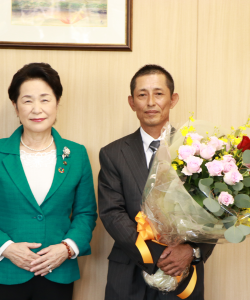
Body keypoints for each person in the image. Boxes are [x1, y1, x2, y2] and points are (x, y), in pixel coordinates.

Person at [0, 63, 97, 300]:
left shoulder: (76, 154)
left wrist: (66, 248)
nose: (37, 109)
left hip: (57, 272)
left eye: (45, 99)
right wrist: (8, 248)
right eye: (27, 100)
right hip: (4, 272)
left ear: (57, 103)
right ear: (15, 106)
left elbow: (86, 213)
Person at [98, 64, 215, 300]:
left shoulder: (201, 151)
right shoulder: (112, 153)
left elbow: (215, 211)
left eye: (159, 93)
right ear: (132, 102)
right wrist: (156, 254)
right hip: (129, 271)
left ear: (173, 99)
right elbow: (112, 213)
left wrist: (190, 251)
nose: (151, 102)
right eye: (142, 94)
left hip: (183, 271)